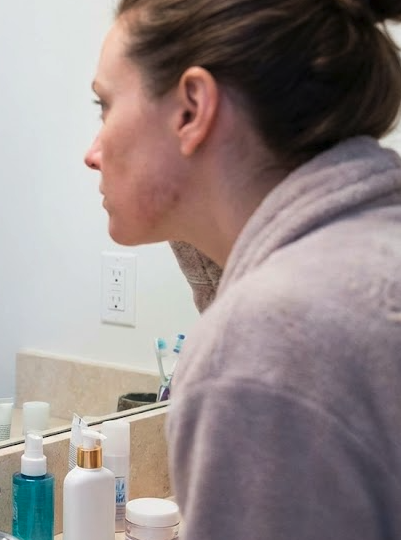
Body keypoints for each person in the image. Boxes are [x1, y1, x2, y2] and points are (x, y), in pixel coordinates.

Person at [85, 1, 401, 538]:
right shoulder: (368, 251)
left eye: (104, 106)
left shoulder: (271, 341)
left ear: (191, 109)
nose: (92, 153)